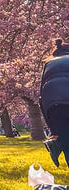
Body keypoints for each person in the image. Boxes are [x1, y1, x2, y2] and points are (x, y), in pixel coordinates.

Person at [40, 38, 69, 168]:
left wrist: (53, 130)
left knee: (66, 139)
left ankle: (57, 143)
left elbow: (42, 96)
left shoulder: (49, 64)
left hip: (52, 105)